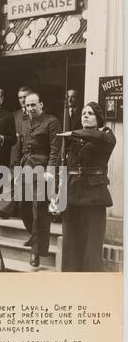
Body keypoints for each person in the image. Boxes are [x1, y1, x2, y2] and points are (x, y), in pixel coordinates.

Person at [57, 101, 116, 272]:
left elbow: (98, 136)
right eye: (83, 113)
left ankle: (91, 288)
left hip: (94, 197)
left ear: (98, 118)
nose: (85, 116)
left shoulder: (106, 136)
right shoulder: (74, 139)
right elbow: (65, 168)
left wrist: (72, 132)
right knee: (70, 246)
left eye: (90, 113)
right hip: (72, 196)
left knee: (91, 249)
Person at [18, 92, 61, 267]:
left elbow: (55, 149)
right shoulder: (25, 122)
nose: (30, 109)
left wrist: (50, 171)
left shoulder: (52, 122)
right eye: (27, 105)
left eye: (33, 105)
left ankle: (36, 252)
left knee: (39, 210)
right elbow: (21, 147)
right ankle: (35, 234)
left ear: (41, 105)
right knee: (23, 205)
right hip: (26, 168)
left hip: (42, 169)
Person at [0, 85, 32, 219]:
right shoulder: (14, 115)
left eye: (25, 97)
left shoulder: (37, 113)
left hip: (30, 152)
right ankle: (4, 210)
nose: (22, 100)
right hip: (15, 152)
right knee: (10, 179)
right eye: (20, 97)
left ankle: (26, 213)